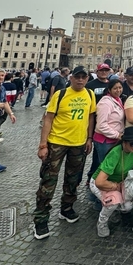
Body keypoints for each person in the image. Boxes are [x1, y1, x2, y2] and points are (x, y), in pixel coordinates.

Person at [33, 66, 96, 239]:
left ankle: (67, 208)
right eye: (78, 77)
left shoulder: (89, 94)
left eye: (84, 77)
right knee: (48, 181)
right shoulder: (60, 95)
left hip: (79, 143)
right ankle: (41, 218)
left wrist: (89, 138)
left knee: (73, 178)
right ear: (71, 78)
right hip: (57, 143)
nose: (81, 80)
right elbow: (48, 119)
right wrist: (43, 144)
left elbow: (91, 117)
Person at [90, 126, 133, 237]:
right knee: (113, 202)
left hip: (120, 181)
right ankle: (102, 223)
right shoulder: (115, 154)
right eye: (132, 143)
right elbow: (99, 182)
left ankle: (114, 211)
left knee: (127, 207)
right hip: (101, 183)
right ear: (124, 142)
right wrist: (115, 186)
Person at [91, 78, 125, 173]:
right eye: (115, 88)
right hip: (105, 140)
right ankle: (100, 185)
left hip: (114, 139)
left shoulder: (118, 100)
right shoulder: (105, 103)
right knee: (106, 167)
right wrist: (117, 134)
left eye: (120, 87)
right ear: (109, 90)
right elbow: (101, 125)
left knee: (111, 165)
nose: (118, 90)